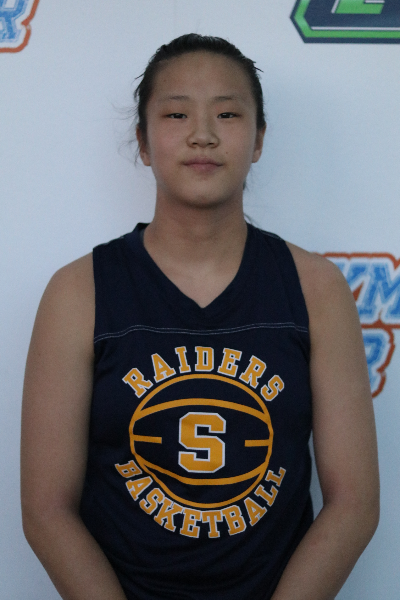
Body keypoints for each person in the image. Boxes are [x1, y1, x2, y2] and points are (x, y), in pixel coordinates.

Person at [21, 34, 379, 600]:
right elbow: (46, 510)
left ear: (259, 139)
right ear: (143, 142)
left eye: (228, 114)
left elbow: (354, 503)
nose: (203, 134)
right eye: (177, 113)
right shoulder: (78, 292)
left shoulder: (316, 289)